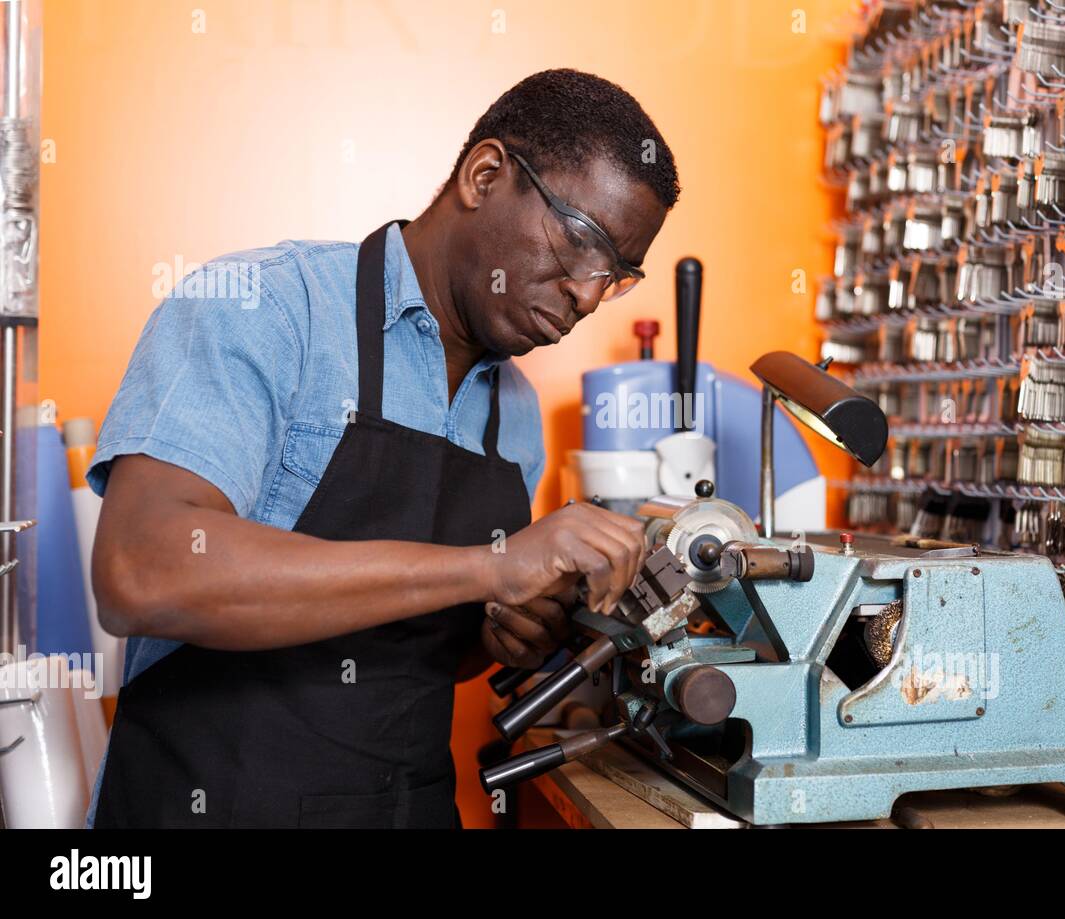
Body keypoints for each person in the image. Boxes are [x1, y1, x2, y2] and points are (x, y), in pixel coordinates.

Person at [85, 68, 680, 827]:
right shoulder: (268, 307)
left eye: (617, 275)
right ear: (485, 174)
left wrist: (500, 628)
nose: (590, 296)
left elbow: (422, 644)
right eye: (581, 242)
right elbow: (142, 569)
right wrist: (489, 564)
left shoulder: (515, 413)